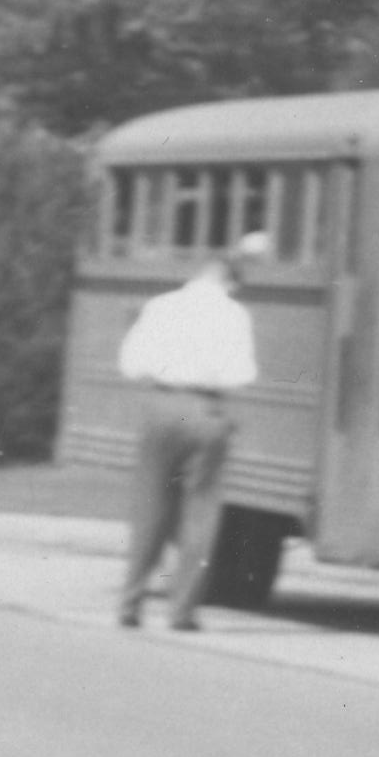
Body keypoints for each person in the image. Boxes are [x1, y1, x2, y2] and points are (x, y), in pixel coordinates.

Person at [115, 231, 263, 630]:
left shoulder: (161, 306)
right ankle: (182, 611)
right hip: (206, 410)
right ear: (230, 281)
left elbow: (130, 364)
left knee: (150, 507)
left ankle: (131, 603)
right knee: (200, 513)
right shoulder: (235, 314)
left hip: (162, 406)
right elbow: (242, 374)